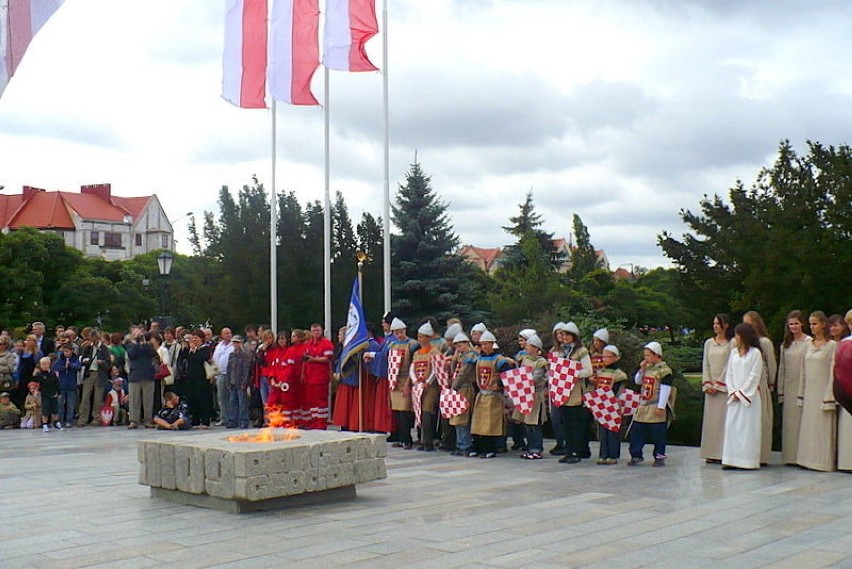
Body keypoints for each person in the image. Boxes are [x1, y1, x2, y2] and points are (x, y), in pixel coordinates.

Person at [796, 311, 837, 472]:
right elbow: (803, 371)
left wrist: (829, 396)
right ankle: (806, 459)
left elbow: (833, 372)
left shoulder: (832, 346)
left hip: (823, 391)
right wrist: (801, 394)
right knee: (808, 426)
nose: (812, 327)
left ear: (823, 325)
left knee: (822, 427)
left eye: (815, 323)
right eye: (811, 324)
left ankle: (822, 462)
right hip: (810, 392)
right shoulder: (808, 345)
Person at [721, 323, 764, 470]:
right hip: (734, 398)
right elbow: (729, 374)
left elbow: (754, 376)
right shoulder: (733, 353)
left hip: (748, 399)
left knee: (748, 430)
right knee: (732, 427)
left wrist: (742, 393)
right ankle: (730, 459)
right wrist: (733, 391)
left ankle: (747, 461)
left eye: (738, 335)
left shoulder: (756, 353)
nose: (735, 338)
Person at [470, 331, 516, 458]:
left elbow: (508, 374)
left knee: (490, 424)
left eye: (487, 344)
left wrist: (500, 384)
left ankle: (490, 448)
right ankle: (477, 447)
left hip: (493, 396)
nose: (484, 347)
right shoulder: (479, 359)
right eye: (482, 344)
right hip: (482, 395)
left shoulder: (499, 360)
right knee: (478, 423)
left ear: (492, 344)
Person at [628, 341, 674, 467]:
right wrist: (641, 369)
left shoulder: (664, 370)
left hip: (655, 404)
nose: (646, 358)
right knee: (637, 430)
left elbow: (666, 388)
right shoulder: (647, 368)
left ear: (657, 355)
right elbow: (638, 381)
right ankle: (636, 454)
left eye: (648, 355)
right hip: (644, 404)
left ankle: (659, 456)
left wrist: (661, 406)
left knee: (658, 433)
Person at [776, 310, 812, 465]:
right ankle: (790, 457)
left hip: (803, 385)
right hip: (789, 386)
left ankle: (802, 456)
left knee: (802, 421)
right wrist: (781, 391)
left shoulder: (809, 342)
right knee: (789, 423)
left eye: (796, 323)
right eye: (791, 324)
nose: (793, 326)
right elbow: (782, 368)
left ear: (802, 323)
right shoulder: (785, 344)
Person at [555, 322, 594, 464]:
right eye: (563, 335)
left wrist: (571, 373)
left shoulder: (581, 351)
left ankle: (577, 451)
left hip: (576, 391)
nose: (564, 337)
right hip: (562, 391)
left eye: (567, 335)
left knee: (575, 423)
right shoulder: (560, 351)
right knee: (565, 423)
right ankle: (569, 450)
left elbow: (588, 370)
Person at [743, 311, 776, 465]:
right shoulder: (742, 345)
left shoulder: (765, 343)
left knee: (762, 419)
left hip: (761, 386)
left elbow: (771, 365)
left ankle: (762, 455)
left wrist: (770, 383)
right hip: (745, 387)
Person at [699, 314, 734, 464]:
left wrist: (719, 383)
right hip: (710, 387)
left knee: (722, 420)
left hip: (723, 388)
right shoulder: (708, 343)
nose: (715, 327)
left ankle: (722, 452)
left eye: (718, 324)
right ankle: (710, 452)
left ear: (725, 325)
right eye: (713, 324)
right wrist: (707, 383)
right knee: (710, 422)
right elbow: (705, 363)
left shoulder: (731, 343)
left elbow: (730, 364)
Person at [590, 345, 629, 464]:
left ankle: (613, 455)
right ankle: (603, 454)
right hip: (602, 404)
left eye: (608, 356)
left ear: (616, 357)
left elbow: (618, 389)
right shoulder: (601, 371)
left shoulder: (619, 374)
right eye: (603, 356)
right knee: (602, 432)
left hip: (613, 404)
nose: (604, 359)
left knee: (612, 431)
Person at [514, 334, 549, 460]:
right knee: (527, 423)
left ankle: (537, 448)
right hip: (525, 393)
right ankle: (530, 447)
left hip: (535, 394)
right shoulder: (525, 359)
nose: (527, 348)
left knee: (535, 423)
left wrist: (524, 380)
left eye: (529, 346)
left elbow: (537, 377)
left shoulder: (541, 362)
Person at [388, 318, 417, 448]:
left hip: (407, 378)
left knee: (405, 411)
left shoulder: (412, 344)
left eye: (401, 331)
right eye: (396, 332)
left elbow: (414, 364)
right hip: (396, 380)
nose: (399, 334)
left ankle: (407, 439)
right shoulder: (392, 345)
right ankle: (400, 437)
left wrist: (408, 383)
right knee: (397, 412)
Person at [448, 332, 478, 456]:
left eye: (460, 346)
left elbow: (463, 374)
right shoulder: (461, 355)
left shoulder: (471, 356)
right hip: (459, 389)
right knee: (457, 417)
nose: (458, 349)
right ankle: (460, 443)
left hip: (465, 388)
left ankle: (465, 444)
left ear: (466, 343)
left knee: (463, 417)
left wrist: (453, 386)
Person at [302, 323, 334, 430]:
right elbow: (304, 360)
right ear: (311, 332)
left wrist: (314, 359)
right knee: (311, 402)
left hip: (321, 378)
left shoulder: (326, 343)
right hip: (309, 378)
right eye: (314, 331)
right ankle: (314, 422)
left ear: (322, 331)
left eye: (318, 330)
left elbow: (327, 358)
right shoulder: (307, 344)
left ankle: (321, 423)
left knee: (321, 402)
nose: (316, 332)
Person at [77, 330, 111, 427]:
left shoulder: (104, 349)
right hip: (89, 374)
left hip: (100, 374)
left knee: (98, 398)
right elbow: (82, 359)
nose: (93, 341)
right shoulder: (87, 347)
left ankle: (96, 418)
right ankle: (83, 419)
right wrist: (85, 360)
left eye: (94, 339)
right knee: (85, 397)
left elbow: (108, 363)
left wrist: (102, 363)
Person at [125, 326, 157, 429]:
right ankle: (134, 420)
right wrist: (135, 342)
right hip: (135, 375)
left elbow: (153, 353)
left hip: (148, 375)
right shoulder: (130, 345)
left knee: (148, 399)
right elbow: (132, 355)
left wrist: (144, 342)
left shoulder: (147, 345)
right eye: (135, 334)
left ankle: (148, 420)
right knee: (134, 400)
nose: (138, 336)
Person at [182, 330, 214, 428]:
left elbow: (200, 359)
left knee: (203, 399)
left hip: (203, 378)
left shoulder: (205, 349)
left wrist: (194, 351)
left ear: (201, 339)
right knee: (193, 399)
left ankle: (205, 422)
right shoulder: (190, 350)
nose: (194, 340)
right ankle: (195, 420)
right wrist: (188, 348)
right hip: (192, 378)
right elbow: (183, 357)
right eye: (193, 338)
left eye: (197, 338)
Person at [548, 322, 568, 456]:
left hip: (566, 386)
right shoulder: (552, 351)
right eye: (557, 333)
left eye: (562, 333)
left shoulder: (569, 350)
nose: (560, 336)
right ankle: (560, 442)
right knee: (555, 418)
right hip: (554, 386)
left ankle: (567, 443)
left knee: (565, 417)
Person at [225, 335, 252, 429]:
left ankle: (244, 421)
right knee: (232, 402)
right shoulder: (232, 355)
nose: (236, 344)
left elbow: (246, 370)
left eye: (237, 342)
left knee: (242, 402)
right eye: (234, 342)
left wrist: (244, 382)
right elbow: (228, 369)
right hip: (232, 382)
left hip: (240, 382)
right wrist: (228, 382)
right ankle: (233, 420)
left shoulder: (245, 354)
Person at [53, 343, 80, 428]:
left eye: (67, 351)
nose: (65, 353)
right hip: (61, 385)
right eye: (64, 351)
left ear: (72, 351)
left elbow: (78, 366)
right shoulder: (60, 359)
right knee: (60, 403)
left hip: (71, 385)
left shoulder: (75, 359)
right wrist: (64, 367)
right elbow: (55, 367)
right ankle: (60, 420)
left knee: (70, 404)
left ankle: (69, 420)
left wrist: (71, 365)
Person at [212, 327, 235, 426]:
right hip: (220, 374)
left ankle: (232, 418)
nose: (228, 335)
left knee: (231, 397)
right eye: (226, 333)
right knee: (221, 397)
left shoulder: (234, 345)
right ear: (222, 335)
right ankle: (224, 417)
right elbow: (214, 359)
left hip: (231, 374)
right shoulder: (219, 346)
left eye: (229, 333)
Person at [14, 335, 42, 410]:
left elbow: (39, 364)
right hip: (23, 376)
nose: (27, 341)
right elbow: (20, 366)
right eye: (27, 339)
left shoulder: (38, 353)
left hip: (32, 376)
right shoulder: (22, 351)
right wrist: (17, 378)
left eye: (30, 340)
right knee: (21, 395)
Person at [34, 356, 61, 431]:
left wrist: (59, 392)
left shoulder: (53, 374)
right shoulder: (39, 375)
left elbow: (57, 383)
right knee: (45, 410)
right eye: (43, 364)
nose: (44, 366)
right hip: (45, 395)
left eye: (46, 364)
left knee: (55, 409)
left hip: (53, 394)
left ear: (49, 364)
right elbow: (37, 384)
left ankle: (56, 422)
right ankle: (45, 424)